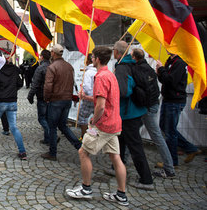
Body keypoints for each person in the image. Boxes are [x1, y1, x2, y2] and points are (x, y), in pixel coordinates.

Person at [66, 46, 128, 206]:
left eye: (93, 57)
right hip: (114, 123)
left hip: (103, 125)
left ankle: (86, 188)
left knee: (83, 152)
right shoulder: (110, 74)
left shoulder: (100, 77)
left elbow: (100, 106)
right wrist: (87, 97)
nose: (91, 59)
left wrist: (94, 121)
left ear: (97, 59)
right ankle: (121, 194)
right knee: (116, 157)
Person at [112, 41, 153, 190]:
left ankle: (146, 179)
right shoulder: (131, 63)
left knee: (135, 146)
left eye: (114, 51)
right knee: (120, 140)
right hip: (132, 111)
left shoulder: (122, 67)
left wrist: (112, 90)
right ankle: (116, 166)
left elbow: (124, 91)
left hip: (129, 112)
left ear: (116, 52)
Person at [131, 49, 176, 178]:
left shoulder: (139, 70)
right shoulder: (148, 68)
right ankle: (122, 159)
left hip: (147, 106)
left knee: (156, 136)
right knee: (132, 132)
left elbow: (143, 89)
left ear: (135, 58)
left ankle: (169, 168)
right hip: (151, 105)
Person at [156, 53, 201, 166]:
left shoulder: (179, 63)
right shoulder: (170, 61)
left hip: (175, 101)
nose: (167, 48)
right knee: (165, 127)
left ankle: (171, 162)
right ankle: (190, 148)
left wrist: (161, 69)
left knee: (170, 131)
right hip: (168, 99)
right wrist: (159, 73)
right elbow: (165, 80)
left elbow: (172, 81)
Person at [41, 44, 81, 161]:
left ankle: (52, 153)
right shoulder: (69, 66)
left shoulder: (52, 67)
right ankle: (79, 146)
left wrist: (46, 98)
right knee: (63, 126)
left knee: (53, 127)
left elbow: (48, 86)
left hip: (56, 100)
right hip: (66, 99)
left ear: (53, 53)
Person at [0, 60, 26, 160]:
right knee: (14, 128)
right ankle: (22, 151)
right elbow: (20, 83)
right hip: (12, 102)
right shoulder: (15, 70)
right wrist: (13, 90)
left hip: (0, 102)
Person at [27, 49, 52, 145]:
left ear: (42, 57)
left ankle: (50, 136)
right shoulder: (52, 67)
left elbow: (35, 84)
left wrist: (30, 96)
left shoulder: (40, 68)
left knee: (42, 118)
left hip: (42, 96)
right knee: (48, 118)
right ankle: (47, 138)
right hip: (52, 96)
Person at [78, 53, 96, 140]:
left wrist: (83, 93)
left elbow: (87, 88)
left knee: (82, 117)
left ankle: (84, 136)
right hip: (98, 99)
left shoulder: (88, 73)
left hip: (89, 99)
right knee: (97, 118)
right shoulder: (98, 70)